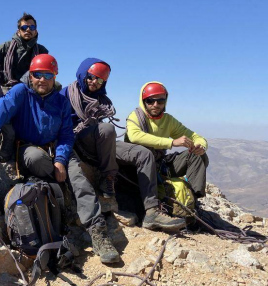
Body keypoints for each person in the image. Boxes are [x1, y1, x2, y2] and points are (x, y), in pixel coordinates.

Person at [62, 60, 186, 259]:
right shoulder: (65, 95)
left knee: (143, 153)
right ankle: (98, 228)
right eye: (92, 77)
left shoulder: (100, 99)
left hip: (98, 140)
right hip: (74, 141)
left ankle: (151, 211)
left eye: (101, 80)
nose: (95, 82)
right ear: (83, 74)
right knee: (106, 132)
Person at [0, 53, 74, 199]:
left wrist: (60, 160)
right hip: (26, 148)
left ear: (54, 77)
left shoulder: (62, 102)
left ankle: (91, 218)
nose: (42, 80)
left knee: (75, 171)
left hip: (53, 149)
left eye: (48, 75)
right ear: (30, 76)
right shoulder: (21, 92)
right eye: (37, 74)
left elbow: (66, 135)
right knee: (36, 158)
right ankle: (59, 192)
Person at [121, 82, 209, 206]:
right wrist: (171, 142)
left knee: (198, 156)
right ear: (143, 101)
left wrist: (201, 146)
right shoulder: (135, 117)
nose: (155, 105)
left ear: (165, 102)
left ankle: (192, 199)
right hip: (138, 167)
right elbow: (135, 136)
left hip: (160, 164)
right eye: (150, 101)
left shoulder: (168, 120)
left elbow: (195, 137)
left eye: (160, 101)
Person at [0, 13, 49, 89]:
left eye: (32, 27)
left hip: (31, 87)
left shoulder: (42, 51)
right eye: (24, 27)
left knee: (56, 85)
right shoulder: (4, 47)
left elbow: (46, 73)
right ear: (18, 31)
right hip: (6, 86)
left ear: (35, 32)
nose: (28, 30)